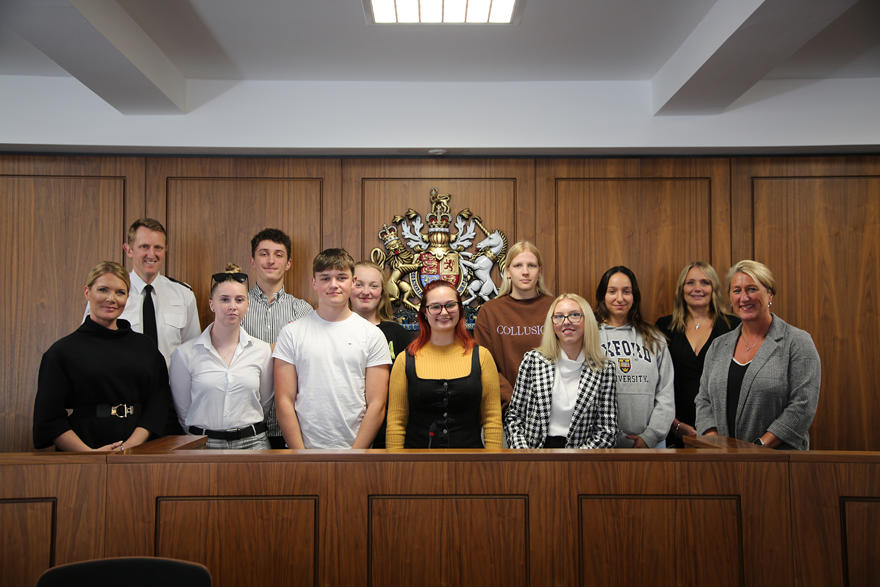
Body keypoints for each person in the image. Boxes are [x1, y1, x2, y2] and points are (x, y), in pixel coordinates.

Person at [34, 261, 171, 451]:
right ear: (87, 292)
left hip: (140, 451)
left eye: (120, 292)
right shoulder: (61, 352)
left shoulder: (145, 347)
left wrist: (130, 447)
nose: (111, 298)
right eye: (103, 290)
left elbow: (159, 403)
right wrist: (89, 455)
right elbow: (49, 418)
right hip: (84, 453)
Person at [273, 248, 392, 449]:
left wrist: (355, 456)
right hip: (304, 451)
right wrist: (301, 455)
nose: (333, 285)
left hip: (356, 453)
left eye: (341, 277)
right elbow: (284, 401)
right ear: (314, 283)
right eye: (325, 278)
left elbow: (377, 405)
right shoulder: (291, 333)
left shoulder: (372, 335)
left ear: (352, 282)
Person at [695, 260, 820, 449]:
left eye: (752, 289)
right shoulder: (718, 346)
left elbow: (802, 405)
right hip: (722, 462)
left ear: (769, 294)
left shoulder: (797, 342)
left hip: (777, 461)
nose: (744, 298)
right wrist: (715, 442)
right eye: (737, 291)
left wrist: (759, 446)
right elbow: (703, 399)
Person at [386, 280, 503, 449]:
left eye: (450, 305)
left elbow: (492, 419)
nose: (444, 312)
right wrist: (395, 469)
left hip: (471, 467)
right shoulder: (405, 360)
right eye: (435, 307)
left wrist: (492, 464)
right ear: (424, 313)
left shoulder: (482, 357)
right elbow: (396, 423)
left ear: (460, 310)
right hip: (416, 467)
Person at [169, 265, 273, 449]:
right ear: (212, 304)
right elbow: (183, 410)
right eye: (224, 299)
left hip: (252, 443)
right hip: (202, 444)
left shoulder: (262, 351)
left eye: (239, 300)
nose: (232, 306)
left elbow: (264, 402)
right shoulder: (185, 354)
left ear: (247, 305)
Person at [505, 294, 618, 449]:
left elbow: (607, 430)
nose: (566, 322)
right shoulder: (533, 361)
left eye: (574, 315)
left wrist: (575, 461)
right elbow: (514, 417)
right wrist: (526, 456)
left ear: (587, 321)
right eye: (558, 317)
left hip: (582, 461)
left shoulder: (604, 369)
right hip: (534, 458)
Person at [85, 218, 200, 367]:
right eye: (144, 246)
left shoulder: (183, 295)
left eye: (158, 247)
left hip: (169, 387)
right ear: (129, 250)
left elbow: (193, 351)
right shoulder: (107, 295)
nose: (152, 254)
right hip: (122, 386)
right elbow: (88, 343)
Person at [241, 228, 313, 448]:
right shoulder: (236, 308)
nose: (271, 260)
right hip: (246, 426)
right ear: (252, 261)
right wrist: (282, 349)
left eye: (278, 254)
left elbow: (309, 363)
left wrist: (255, 349)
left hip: (292, 428)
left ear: (288, 263)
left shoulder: (303, 311)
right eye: (263, 254)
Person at [655, 262, 739, 447]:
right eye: (690, 282)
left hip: (722, 432)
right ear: (681, 289)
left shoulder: (733, 327)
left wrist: (713, 430)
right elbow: (656, 383)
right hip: (674, 430)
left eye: (705, 282)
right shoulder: (664, 327)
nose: (697, 288)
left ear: (714, 288)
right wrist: (675, 426)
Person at [595, 266, 674, 448]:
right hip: (603, 444)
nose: (620, 298)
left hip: (651, 445)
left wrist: (650, 437)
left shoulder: (655, 339)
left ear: (635, 296)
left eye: (627, 292)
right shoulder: (589, 338)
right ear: (602, 296)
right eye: (612, 291)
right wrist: (611, 435)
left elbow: (666, 394)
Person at [474, 241, 554, 411]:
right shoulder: (490, 311)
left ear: (539, 271)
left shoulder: (556, 308)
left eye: (531, 265)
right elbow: (485, 365)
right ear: (508, 271)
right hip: (506, 408)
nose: (525, 272)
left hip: (551, 407)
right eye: (518, 265)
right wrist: (513, 401)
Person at [350, 260, 414, 448]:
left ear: (382, 293)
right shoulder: (333, 331)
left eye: (374, 285)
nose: (366, 291)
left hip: (387, 434)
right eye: (358, 284)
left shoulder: (397, 334)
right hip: (343, 431)